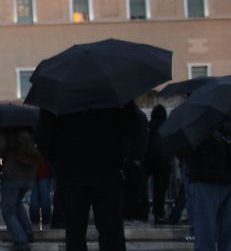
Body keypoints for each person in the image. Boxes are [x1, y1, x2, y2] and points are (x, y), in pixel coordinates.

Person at [37, 104, 146, 251]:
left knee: (75, 231)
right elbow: (136, 127)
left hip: (71, 170)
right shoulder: (112, 95)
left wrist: (55, 161)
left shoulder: (58, 98)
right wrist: (130, 159)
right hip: (107, 168)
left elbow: (43, 135)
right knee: (111, 230)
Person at [177, 121, 231, 251]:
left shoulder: (224, 125)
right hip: (208, 179)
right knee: (208, 229)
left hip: (223, 179)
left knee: (221, 229)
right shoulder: (200, 127)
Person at [0, 126, 40, 251]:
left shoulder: (5, 129)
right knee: (17, 202)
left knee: (7, 210)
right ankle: (27, 232)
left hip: (12, 173)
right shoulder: (30, 129)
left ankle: (21, 241)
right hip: (30, 174)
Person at [143, 105, 172, 224]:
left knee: (144, 189)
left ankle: (144, 211)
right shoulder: (168, 126)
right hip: (163, 161)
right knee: (160, 191)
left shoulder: (148, 126)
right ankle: (159, 213)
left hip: (147, 160)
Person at [123, 108, 150, 222]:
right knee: (137, 187)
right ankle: (137, 211)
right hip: (134, 157)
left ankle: (133, 212)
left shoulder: (132, 116)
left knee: (133, 187)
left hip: (132, 157)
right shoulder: (139, 116)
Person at [28, 159, 53, 227]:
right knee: (45, 198)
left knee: (34, 199)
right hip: (45, 170)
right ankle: (46, 222)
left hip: (33, 170)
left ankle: (35, 222)